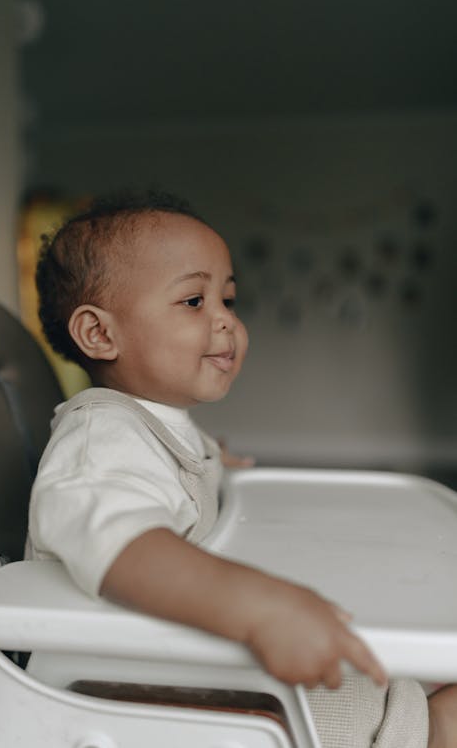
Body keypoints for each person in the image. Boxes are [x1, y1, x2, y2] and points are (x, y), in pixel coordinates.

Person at [28, 190, 457, 748]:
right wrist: (261, 610)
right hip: (163, 702)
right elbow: (124, 546)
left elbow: (163, 478)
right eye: (193, 302)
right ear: (101, 334)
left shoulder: (141, 426)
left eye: (227, 300)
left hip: (191, 670)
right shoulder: (98, 438)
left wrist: (212, 461)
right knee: (437, 710)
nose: (226, 322)